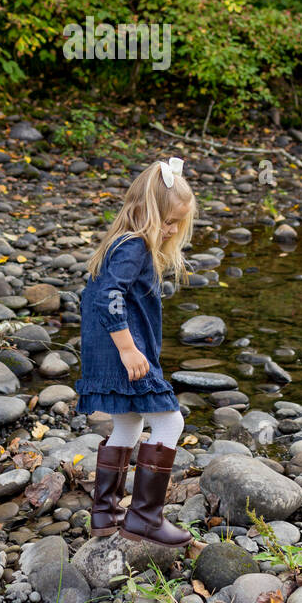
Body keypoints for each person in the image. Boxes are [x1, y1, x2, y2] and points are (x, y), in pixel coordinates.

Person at [76, 156, 197, 546]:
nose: (173, 229)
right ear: (145, 212)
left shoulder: (121, 243)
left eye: (180, 223)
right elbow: (108, 297)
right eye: (169, 221)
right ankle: (145, 517)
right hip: (123, 351)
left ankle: (104, 513)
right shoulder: (134, 247)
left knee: (128, 423)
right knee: (170, 422)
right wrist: (129, 349)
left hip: (106, 353)